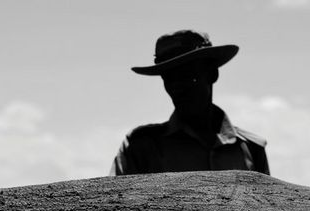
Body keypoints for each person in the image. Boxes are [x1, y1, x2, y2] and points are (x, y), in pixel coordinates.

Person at [110, 30, 270, 176]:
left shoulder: (251, 149)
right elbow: (113, 204)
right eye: (169, 79)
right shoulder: (141, 148)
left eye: (188, 76)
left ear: (212, 75)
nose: (178, 88)